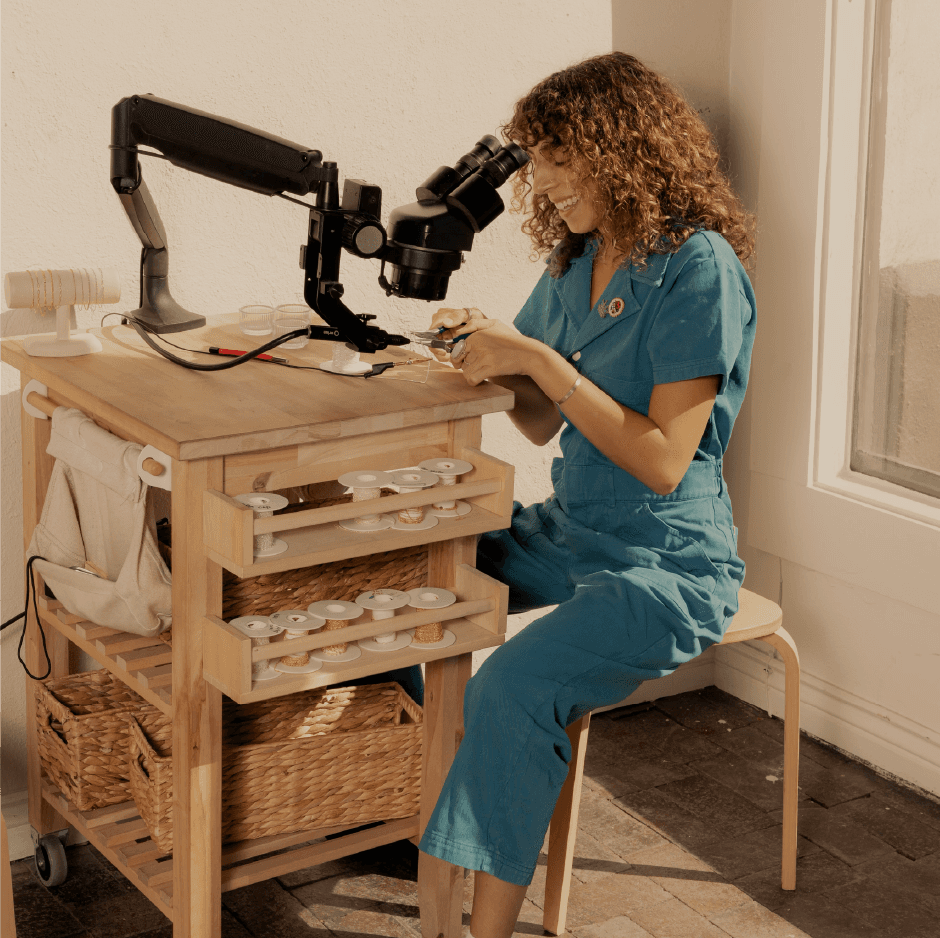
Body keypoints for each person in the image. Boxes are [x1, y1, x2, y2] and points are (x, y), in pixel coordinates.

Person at [416, 51, 757, 937]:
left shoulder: (698, 266)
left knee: (512, 688)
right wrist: (485, 347)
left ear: (623, 149)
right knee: (405, 590)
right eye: (540, 161)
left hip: (668, 557)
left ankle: (478, 929)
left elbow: (662, 461)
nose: (549, 181)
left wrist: (538, 360)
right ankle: (436, 824)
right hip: (571, 528)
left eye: (564, 158)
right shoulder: (579, 261)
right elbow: (537, 420)